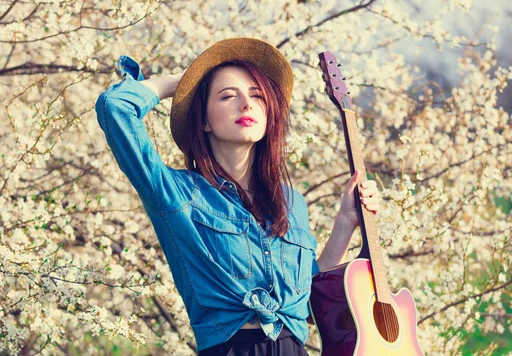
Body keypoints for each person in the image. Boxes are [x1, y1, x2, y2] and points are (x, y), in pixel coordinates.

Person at [95, 37, 380, 355]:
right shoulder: (177, 193)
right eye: (227, 96)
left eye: (256, 96)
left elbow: (309, 302)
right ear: (203, 119)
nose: (246, 104)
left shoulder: (291, 202)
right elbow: (115, 108)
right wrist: (188, 82)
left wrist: (345, 222)